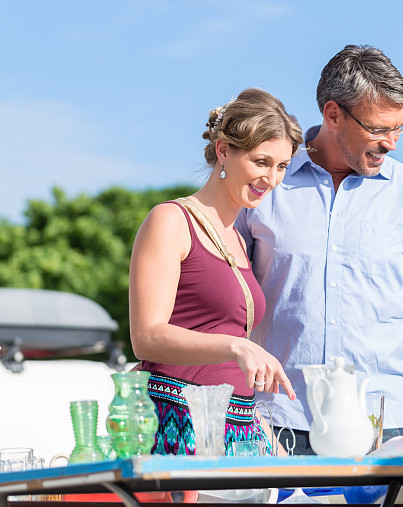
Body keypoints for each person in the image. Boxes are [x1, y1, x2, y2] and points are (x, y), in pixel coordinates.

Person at [236, 45, 403, 455]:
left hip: (384, 429)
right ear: (333, 114)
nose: (391, 143)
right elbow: (229, 305)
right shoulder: (266, 184)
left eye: (399, 127)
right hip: (277, 423)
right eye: (377, 129)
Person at [129, 87, 304, 456]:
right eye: (261, 162)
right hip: (174, 426)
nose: (272, 179)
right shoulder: (171, 221)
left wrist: (268, 443)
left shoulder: (238, 239)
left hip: (240, 429)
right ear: (224, 151)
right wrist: (235, 345)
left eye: (282, 166)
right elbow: (146, 337)